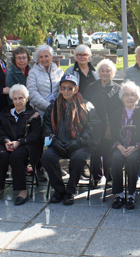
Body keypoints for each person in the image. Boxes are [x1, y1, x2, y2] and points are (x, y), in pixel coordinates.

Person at [41, 74, 101, 205]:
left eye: (70, 88)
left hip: (79, 145)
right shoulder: (52, 107)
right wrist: (54, 142)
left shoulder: (87, 106)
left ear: (76, 89)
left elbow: (94, 127)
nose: (66, 91)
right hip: (59, 144)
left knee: (78, 158)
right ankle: (59, 190)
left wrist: (78, 142)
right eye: (63, 88)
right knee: (47, 157)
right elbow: (46, 126)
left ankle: (70, 191)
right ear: (60, 89)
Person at [0, 84, 42, 205]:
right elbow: (0, 131)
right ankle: (0, 186)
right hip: (7, 143)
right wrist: (6, 142)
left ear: (27, 99)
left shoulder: (34, 114)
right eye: (15, 99)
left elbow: (35, 135)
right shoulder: (5, 113)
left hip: (27, 145)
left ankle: (22, 191)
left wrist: (19, 142)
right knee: (1, 154)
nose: (18, 101)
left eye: (21, 98)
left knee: (16, 156)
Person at [109, 80, 140, 209]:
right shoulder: (115, 114)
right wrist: (120, 147)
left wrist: (135, 147)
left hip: (137, 149)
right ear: (122, 97)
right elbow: (113, 134)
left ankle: (131, 194)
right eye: (126, 95)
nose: (130, 97)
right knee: (116, 158)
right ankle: (119, 194)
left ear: (137, 97)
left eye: (132, 94)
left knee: (132, 160)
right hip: (120, 147)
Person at [83, 59, 122, 185]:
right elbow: (85, 105)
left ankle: (110, 178)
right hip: (95, 125)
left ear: (112, 72)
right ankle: (96, 177)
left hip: (111, 126)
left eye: (108, 70)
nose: (105, 73)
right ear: (98, 72)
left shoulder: (118, 88)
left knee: (108, 152)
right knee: (96, 152)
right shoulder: (91, 87)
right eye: (102, 70)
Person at [26, 45, 63, 117]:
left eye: (46, 56)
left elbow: (62, 90)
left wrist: (57, 106)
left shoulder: (59, 71)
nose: (44, 59)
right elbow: (32, 93)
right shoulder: (33, 72)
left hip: (57, 111)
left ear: (51, 57)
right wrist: (48, 106)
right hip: (39, 112)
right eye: (41, 57)